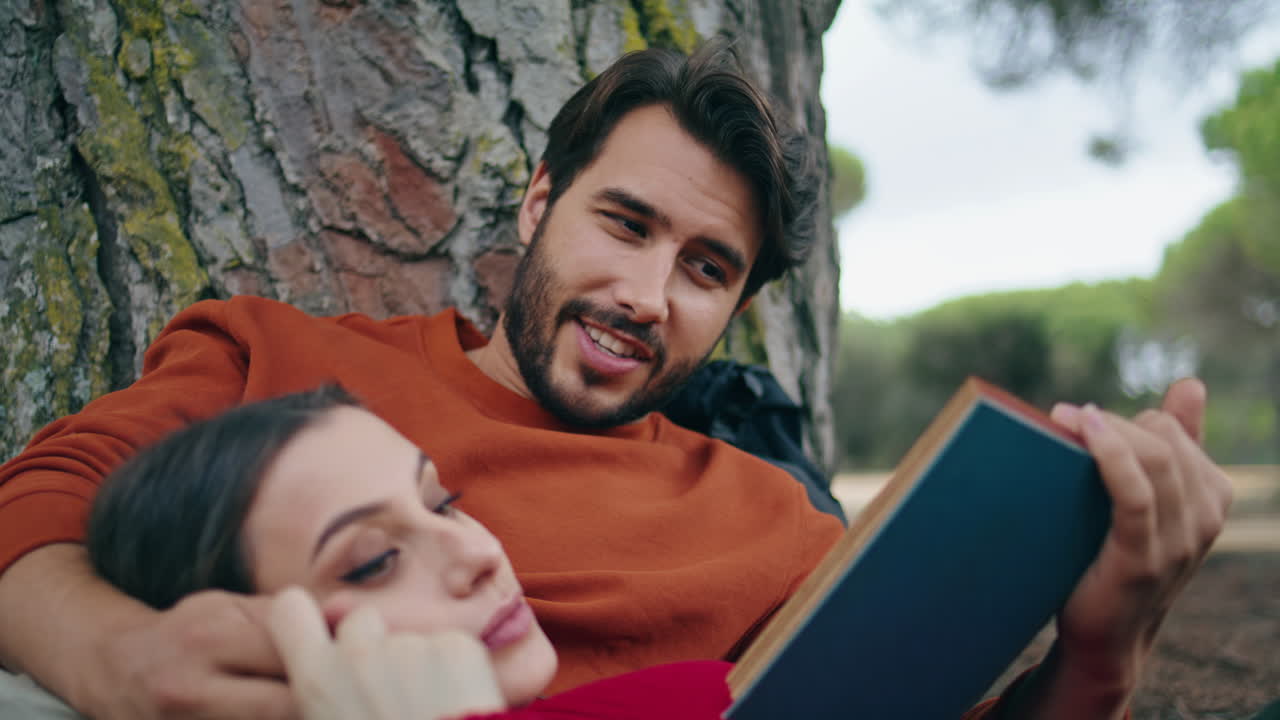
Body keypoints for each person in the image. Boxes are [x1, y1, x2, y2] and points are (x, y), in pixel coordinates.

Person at [0, 40, 1232, 720]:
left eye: (705, 268)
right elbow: (31, 507)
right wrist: (118, 662)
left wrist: (1101, 653)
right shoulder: (279, 358)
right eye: (624, 224)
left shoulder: (776, 527)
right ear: (539, 202)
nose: (648, 297)